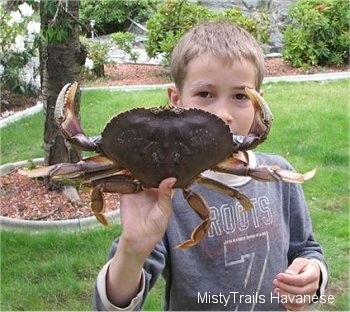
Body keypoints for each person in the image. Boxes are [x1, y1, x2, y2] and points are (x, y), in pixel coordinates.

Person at [93, 20, 328, 311]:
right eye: (205, 94)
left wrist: (314, 276)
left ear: (259, 107)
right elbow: (111, 306)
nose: (222, 114)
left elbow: (306, 248)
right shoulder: (163, 194)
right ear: (176, 102)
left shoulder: (278, 177)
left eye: (241, 96)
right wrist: (132, 249)